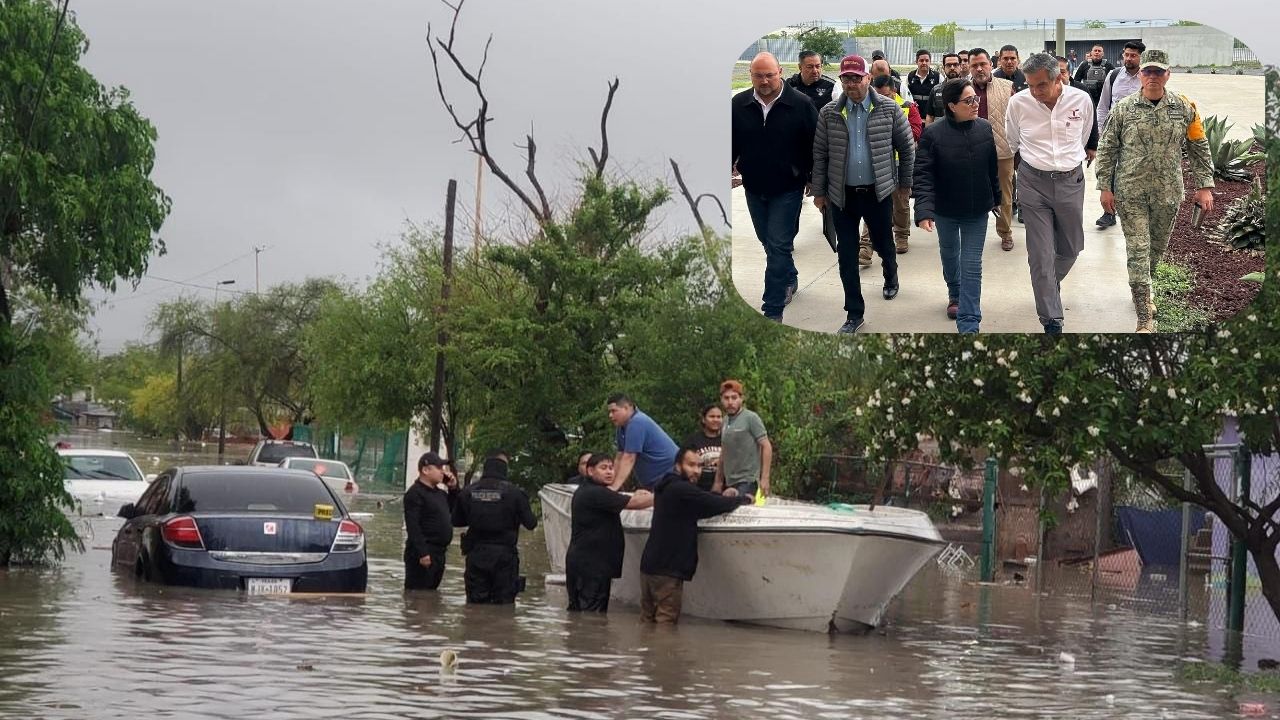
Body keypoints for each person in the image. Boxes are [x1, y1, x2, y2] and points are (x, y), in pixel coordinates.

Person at [1094, 49, 1215, 333]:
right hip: (1130, 192)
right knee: (1138, 250)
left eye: (1158, 71)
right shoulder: (1123, 109)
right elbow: (1107, 149)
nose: (1152, 76)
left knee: (1155, 251)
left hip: (1167, 193)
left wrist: (1205, 186)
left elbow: (1198, 146)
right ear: (1140, 75)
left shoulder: (1184, 107)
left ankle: (1143, 291)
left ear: (1167, 74)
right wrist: (1105, 187)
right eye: (1148, 71)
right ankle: (1144, 319)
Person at [811, 54, 915, 334]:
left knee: (883, 244)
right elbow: (820, 155)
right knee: (847, 255)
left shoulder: (889, 109)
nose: (851, 83)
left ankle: (891, 275)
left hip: (877, 193)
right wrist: (819, 192)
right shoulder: (829, 113)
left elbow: (907, 148)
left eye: (857, 78)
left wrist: (905, 185)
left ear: (868, 78)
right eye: (846, 78)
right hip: (842, 196)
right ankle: (854, 313)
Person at [1006, 53, 1097, 334]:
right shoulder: (1018, 103)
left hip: (1071, 182)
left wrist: (1066, 163)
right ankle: (1051, 319)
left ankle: (1046, 285)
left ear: (1058, 78)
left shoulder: (1081, 100)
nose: (1035, 92)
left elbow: (1083, 137)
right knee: (1041, 254)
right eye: (1030, 85)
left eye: (1041, 85)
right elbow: (1013, 142)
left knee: (1071, 248)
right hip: (1033, 184)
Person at [731, 52, 819, 320]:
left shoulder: (801, 104)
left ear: (780, 72)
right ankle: (789, 276)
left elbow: (817, 146)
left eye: (769, 75)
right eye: (758, 76)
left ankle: (773, 308)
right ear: (751, 76)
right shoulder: (739, 104)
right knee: (768, 242)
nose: (764, 81)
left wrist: (814, 179)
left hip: (788, 187)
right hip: (754, 186)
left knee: (779, 244)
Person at [913, 78, 1001, 332]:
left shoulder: (984, 128)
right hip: (946, 210)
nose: (975, 104)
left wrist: (996, 199)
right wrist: (924, 211)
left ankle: (969, 322)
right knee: (950, 254)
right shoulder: (933, 133)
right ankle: (955, 293)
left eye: (976, 99)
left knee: (971, 264)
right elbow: (923, 174)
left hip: (977, 210)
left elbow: (992, 168)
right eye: (968, 100)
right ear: (951, 106)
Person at [638, 447, 753, 624]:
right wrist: (744, 499)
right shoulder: (681, 489)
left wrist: (722, 496)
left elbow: (700, 503)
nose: (697, 471)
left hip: (650, 567)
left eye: (700, 466)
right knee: (665, 625)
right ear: (678, 466)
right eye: (691, 465)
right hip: (667, 570)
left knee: (647, 622)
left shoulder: (665, 487)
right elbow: (712, 504)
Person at [565, 454, 653, 612]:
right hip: (592, 567)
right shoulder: (595, 493)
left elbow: (618, 498)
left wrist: (639, 494)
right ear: (590, 471)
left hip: (584, 565)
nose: (609, 472)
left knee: (579, 615)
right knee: (592, 617)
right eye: (603, 468)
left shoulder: (588, 490)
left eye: (611, 468)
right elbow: (634, 503)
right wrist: (664, 494)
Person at [451, 453, 537, 604]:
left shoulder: (468, 492)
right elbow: (531, 524)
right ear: (505, 470)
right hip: (505, 557)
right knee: (504, 606)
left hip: (476, 554)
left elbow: (456, 521)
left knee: (476, 605)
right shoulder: (516, 494)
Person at [857, 62, 922, 261]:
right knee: (872, 203)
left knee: (901, 202)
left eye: (885, 96)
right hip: (876, 164)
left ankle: (901, 235)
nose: (881, 100)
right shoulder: (866, 108)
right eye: (877, 96)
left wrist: (889, 135)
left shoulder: (907, 108)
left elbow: (915, 133)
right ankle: (866, 245)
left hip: (900, 164)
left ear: (894, 91)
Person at [1094, 40, 1147, 230]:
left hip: (1139, 136)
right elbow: (1103, 105)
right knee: (1109, 171)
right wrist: (1102, 131)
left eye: (1134, 55)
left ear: (1141, 57)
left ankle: (1135, 212)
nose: (1129, 58)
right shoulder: (1114, 75)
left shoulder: (1147, 77)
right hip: (1114, 133)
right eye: (1126, 55)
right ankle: (1109, 213)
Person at [968, 48, 1017, 253]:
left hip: (1002, 151)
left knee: (1005, 195)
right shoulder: (961, 89)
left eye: (983, 64)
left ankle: (1005, 232)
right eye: (974, 65)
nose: (979, 69)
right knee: (970, 193)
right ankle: (970, 233)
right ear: (969, 67)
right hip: (970, 152)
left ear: (991, 64)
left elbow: (1017, 119)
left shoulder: (1007, 87)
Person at [403, 451, 460, 591]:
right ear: (425, 470)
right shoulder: (415, 493)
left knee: (431, 595)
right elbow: (413, 526)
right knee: (419, 595)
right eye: (439, 468)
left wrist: (453, 488)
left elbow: (455, 511)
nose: (443, 472)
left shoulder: (441, 494)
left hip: (439, 553)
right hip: (423, 553)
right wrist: (422, 553)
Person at [713, 379, 772, 497]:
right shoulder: (725, 421)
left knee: (739, 502)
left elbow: (766, 446)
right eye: (726, 398)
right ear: (721, 400)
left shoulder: (751, 418)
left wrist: (765, 478)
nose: (730, 402)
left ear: (741, 398)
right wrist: (718, 481)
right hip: (730, 481)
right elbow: (724, 451)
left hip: (748, 480)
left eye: (734, 398)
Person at [607, 393, 678, 490]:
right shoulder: (621, 427)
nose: (610, 415)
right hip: (656, 483)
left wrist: (614, 487)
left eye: (614, 411)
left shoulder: (637, 422)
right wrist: (611, 484)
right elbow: (619, 457)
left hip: (669, 477)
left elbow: (629, 458)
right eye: (609, 412)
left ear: (626, 408)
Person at [683, 403, 723, 491]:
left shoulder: (727, 440)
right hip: (699, 487)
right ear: (704, 419)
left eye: (719, 417)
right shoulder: (693, 440)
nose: (715, 420)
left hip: (724, 487)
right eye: (712, 416)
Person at [1073, 44, 1116, 109]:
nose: (1097, 52)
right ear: (1091, 53)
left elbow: (1115, 81)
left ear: (1103, 54)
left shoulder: (1108, 65)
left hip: (1104, 99)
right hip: (1087, 98)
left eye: (1099, 51)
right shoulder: (1084, 65)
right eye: (1095, 50)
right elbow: (1076, 81)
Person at [925, 53, 963, 125]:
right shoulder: (935, 90)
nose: (952, 68)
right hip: (940, 131)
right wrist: (928, 131)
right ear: (943, 68)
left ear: (960, 66)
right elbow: (930, 116)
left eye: (955, 65)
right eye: (948, 65)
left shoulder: (968, 89)